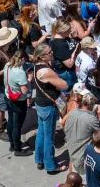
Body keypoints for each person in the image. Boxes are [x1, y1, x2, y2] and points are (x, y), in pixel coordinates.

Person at [33, 42, 69, 175]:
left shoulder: (37, 66)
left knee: (41, 133)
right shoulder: (46, 71)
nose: (52, 53)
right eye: (49, 53)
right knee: (49, 137)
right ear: (42, 56)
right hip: (48, 106)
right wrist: (59, 78)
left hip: (41, 104)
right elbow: (64, 85)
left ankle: (39, 159)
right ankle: (51, 166)